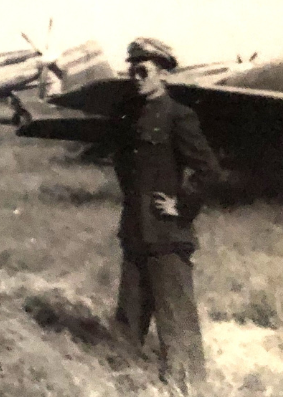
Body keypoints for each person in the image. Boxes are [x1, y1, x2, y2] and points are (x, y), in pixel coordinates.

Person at [109, 38, 215, 394]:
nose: (136, 77)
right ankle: (121, 382)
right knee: (129, 315)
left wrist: (181, 207)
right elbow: (124, 164)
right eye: (132, 70)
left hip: (167, 232)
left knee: (176, 318)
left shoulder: (179, 116)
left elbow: (207, 170)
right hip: (135, 228)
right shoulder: (130, 114)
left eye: (144, 71)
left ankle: (187, 386)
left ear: (163, 74)